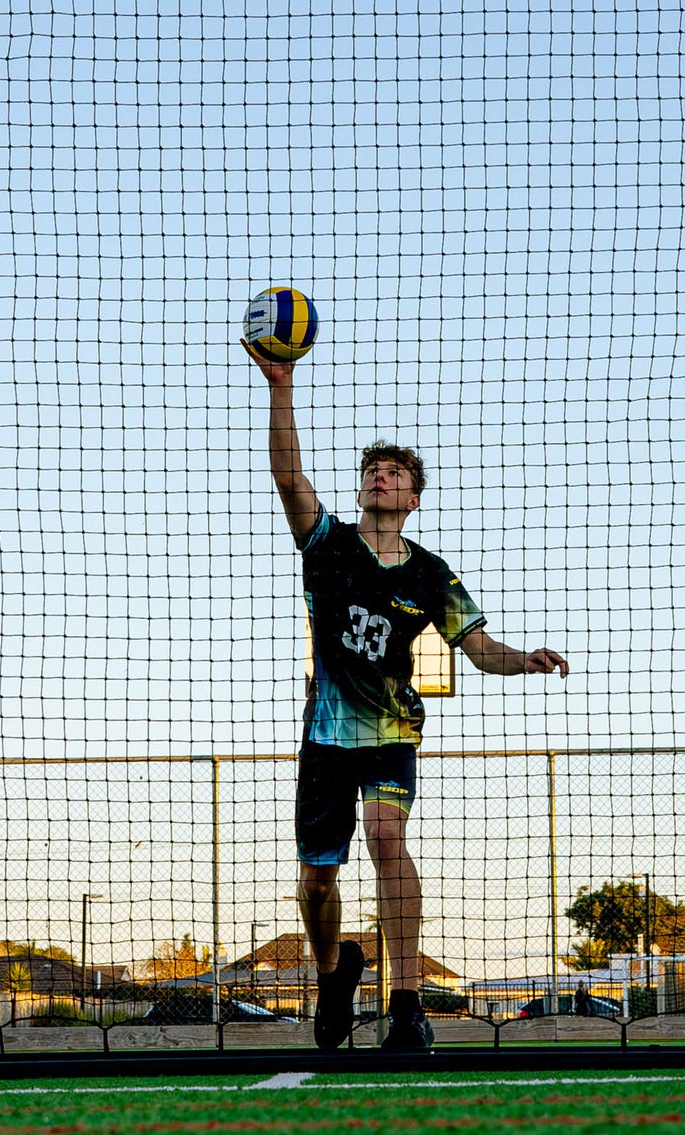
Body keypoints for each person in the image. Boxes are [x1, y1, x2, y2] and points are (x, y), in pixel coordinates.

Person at [243, 341, 569, 1052]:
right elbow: (287, 473)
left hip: (391, 730)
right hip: (326, 735)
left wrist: (525, 660)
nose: (379, 476)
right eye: (372, 470)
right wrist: (280, 386)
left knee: (387, 838)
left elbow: (479, 649)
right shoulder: (325, 543)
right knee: (317, 880)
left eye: (393, 473)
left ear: (412, 498)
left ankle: (407, 1005)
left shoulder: (431, 574)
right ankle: (333, 973)